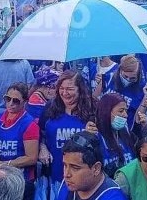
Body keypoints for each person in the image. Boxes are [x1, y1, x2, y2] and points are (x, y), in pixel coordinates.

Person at [40, 70, 97, 198]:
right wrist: (42, 148)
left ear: (80, 89)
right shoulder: (50, 107)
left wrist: (92, 135)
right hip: (54, 176)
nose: (65, 93)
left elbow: (101, 145)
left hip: (82, 180)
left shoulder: (92, 110)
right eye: (61, 88)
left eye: (70, 89)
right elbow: (40, 134)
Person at [0, 83, 39, 180]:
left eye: (16, 101)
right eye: (7, 99)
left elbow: (32, 158)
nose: (10, 103)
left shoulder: (29, 124)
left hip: (20, 179)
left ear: (24, 102)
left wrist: (4, 164)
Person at [57, 131, 126, 200]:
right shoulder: (67, 185)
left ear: (96, 168)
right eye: (65, 165)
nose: (66, 174)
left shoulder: (113, 197)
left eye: (75, 168)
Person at [86, 93, 135, 178]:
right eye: (121, 111)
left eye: (126, 111)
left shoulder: (126, 133)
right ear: (107, 112)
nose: (125, 115)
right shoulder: (96, 138)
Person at [97, 55, 146, 128]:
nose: (128, 80)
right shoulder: (108, 78)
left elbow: (137, 119)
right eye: (125, 76)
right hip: (104, 126)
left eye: (132, 78)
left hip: (125, 129)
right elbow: (95, 99)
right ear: (120, 70)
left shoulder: (142, 90)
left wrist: (146, 96)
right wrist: (99, 84)